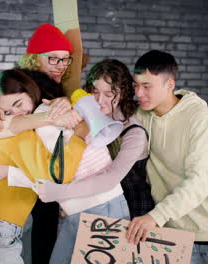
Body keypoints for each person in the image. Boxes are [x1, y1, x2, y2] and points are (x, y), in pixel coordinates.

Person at [0, 23, 76, 263]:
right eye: (53, 59)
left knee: (43, 227)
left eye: (65, 60)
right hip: (16, 168)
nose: (60, 66)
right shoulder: (17, 82)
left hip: (39, 168)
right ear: (34, 58)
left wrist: (66, 104)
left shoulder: (58, 86)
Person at [126, 50, 208, 264]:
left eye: (147, 86)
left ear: (170, 84)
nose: (139, 93)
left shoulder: (198, 117)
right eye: (136, 85)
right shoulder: (141, 116)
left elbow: (200, 181)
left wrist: (155, 216)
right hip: (175, 234)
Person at [33, 59, 155, 262]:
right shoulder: (89, 111)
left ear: (123, 93)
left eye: (109, 94)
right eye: (95, 92)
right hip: (86, 201)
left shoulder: (134, 132)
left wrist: (59, 192)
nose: (100, 100)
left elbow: (110, 178)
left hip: (127, 211)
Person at [0, 69, 88, 264]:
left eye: (18, 104)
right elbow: (57, 176)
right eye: (8, 112)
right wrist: (79, 137)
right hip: (2, 225)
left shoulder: (6, 126)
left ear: (31, 92)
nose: (17, 114)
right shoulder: (18, 134)